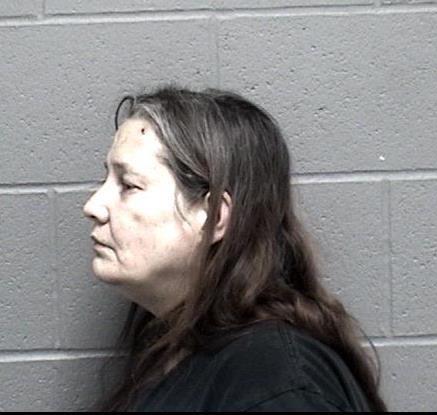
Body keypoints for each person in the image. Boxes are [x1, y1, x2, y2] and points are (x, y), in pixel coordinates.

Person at [83, 84, 388, 412]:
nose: (93, 206)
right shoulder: (179, 354)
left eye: (129, 185)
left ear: (214, 216)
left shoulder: (274, 380)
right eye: (106, 181)